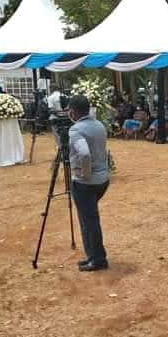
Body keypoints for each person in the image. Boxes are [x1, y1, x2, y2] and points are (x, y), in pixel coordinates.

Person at [67, 95, 110, 272]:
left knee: (89, 221)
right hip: (102, 180)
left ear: (73, 111)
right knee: (89, 218)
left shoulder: (76, 130)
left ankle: (98, 259)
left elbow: (84, 153)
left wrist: (84, 174)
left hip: (86, 182)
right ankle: (92, 255)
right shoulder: (99, 125)